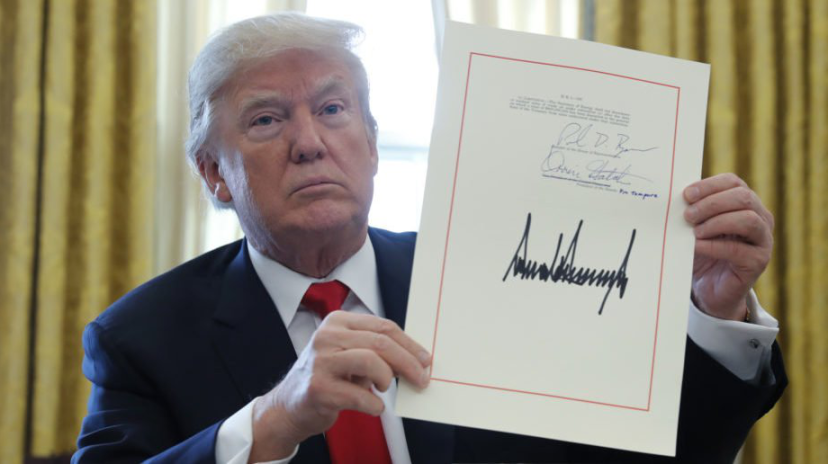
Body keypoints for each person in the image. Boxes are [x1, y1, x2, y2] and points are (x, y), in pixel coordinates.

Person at [73, 12, 786, 464]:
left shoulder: (493, 281)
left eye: (333, 109)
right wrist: (273, 421)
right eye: (266, 120)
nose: (310, 142)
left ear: (373, 143)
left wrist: (714, 310)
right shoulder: (142, 338)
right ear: (214, 174)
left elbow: (657, 454)